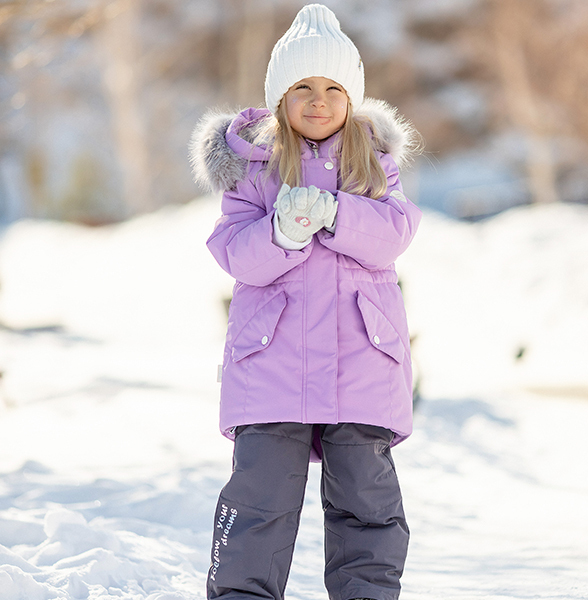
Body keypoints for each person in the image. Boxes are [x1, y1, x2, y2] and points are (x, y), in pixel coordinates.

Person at [189, 5, 422, 600]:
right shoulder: (253, 170)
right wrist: (282, 234)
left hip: (363, 361)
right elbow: (235, 252)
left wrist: (341, 214)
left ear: (352, 98)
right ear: (278, 98)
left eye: (332, 88)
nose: (318, 101)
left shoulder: (374, 165)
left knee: (366, 503)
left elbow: (394, 234)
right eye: (302, 88)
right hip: (271, 362)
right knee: (259, 504)